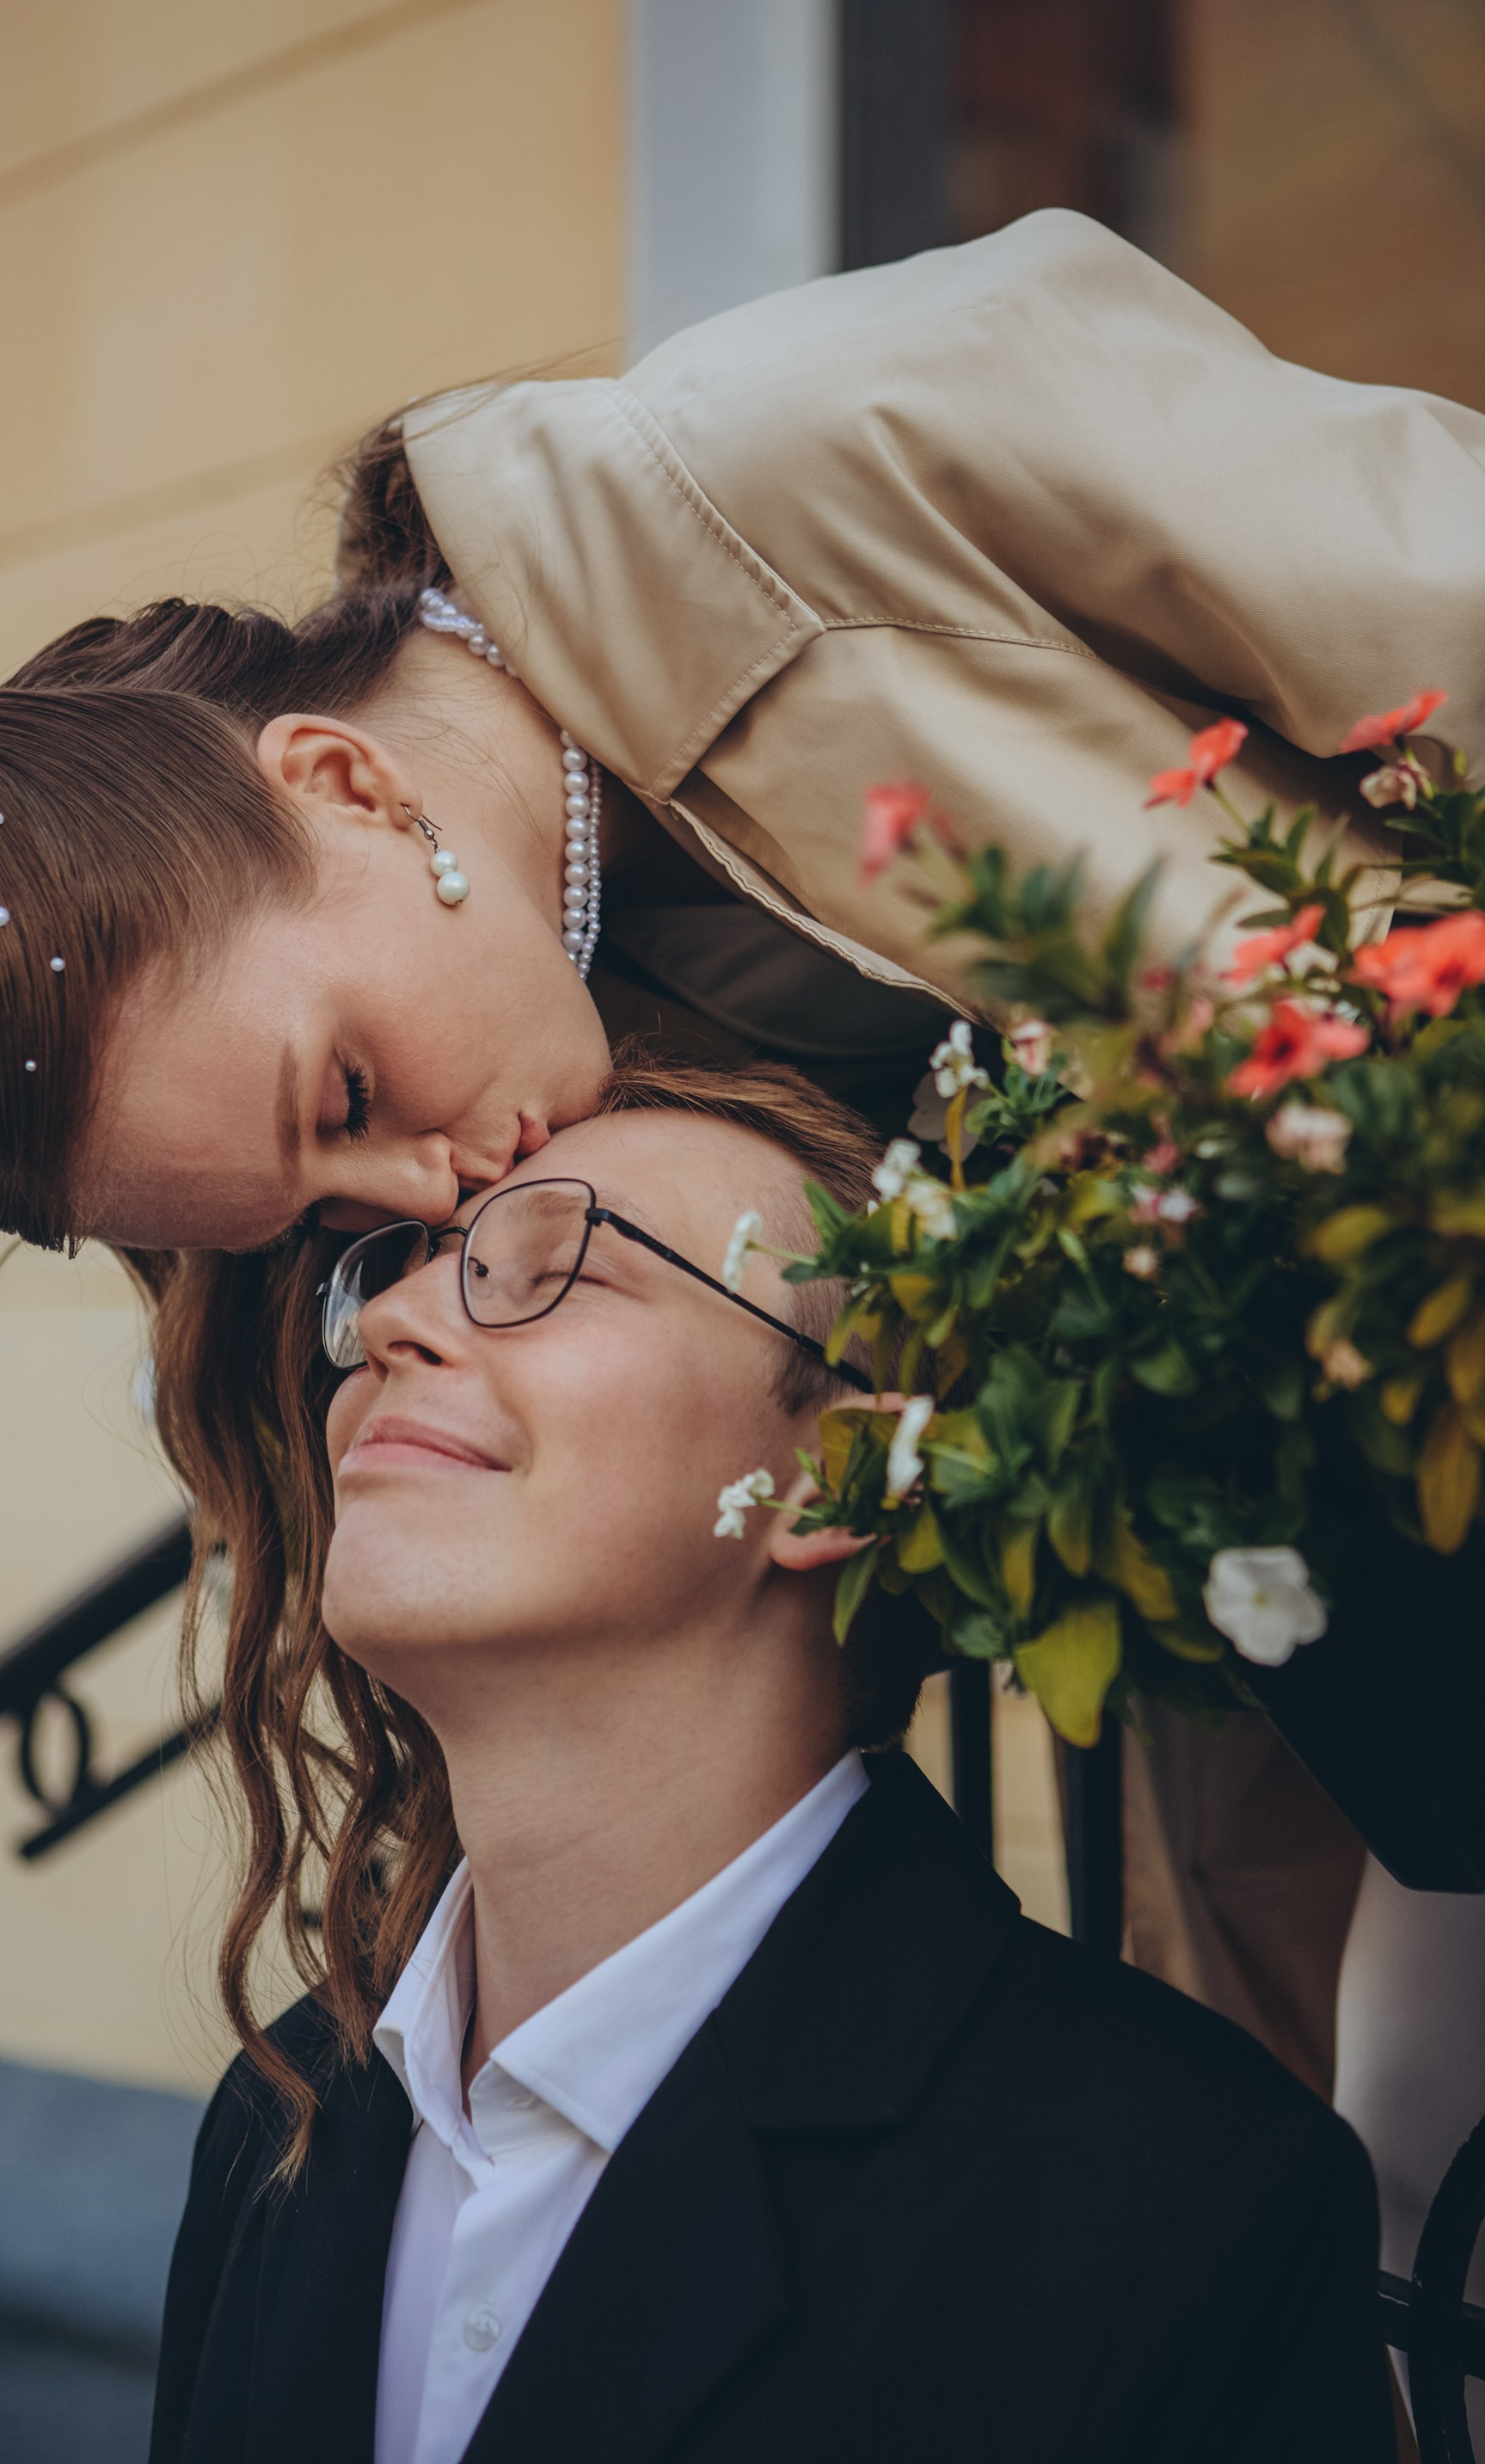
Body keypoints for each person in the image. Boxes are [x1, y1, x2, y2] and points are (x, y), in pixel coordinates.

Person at [0, 205, 1478, 2129]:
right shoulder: (552, 1113)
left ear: (346, 785)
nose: (426, 1194)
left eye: (346, 1087)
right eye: (328, 1211)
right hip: (1323, 1704)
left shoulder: (827, 445)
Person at [149, 1056, 1393, 2464]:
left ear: (839, 1477)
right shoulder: (282, 2111)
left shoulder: (1182, 2201)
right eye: (413, 1265)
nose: (387, 1319)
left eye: (557, 1267)